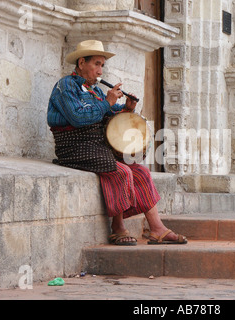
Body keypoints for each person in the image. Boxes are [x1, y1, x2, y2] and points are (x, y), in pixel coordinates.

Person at [47, 40, 187, 246]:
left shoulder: (93, 90)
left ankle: (157, 229)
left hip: (97, 145)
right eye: (96, 64)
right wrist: (108, 102)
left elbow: (107, 114)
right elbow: (78, 117)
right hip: (74, 146)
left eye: (102, 65)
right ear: (82, 62)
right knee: (121, 171)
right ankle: (118, 227)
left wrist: (126, 109)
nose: (100, 70)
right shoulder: (66, 85)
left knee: (140, 171)